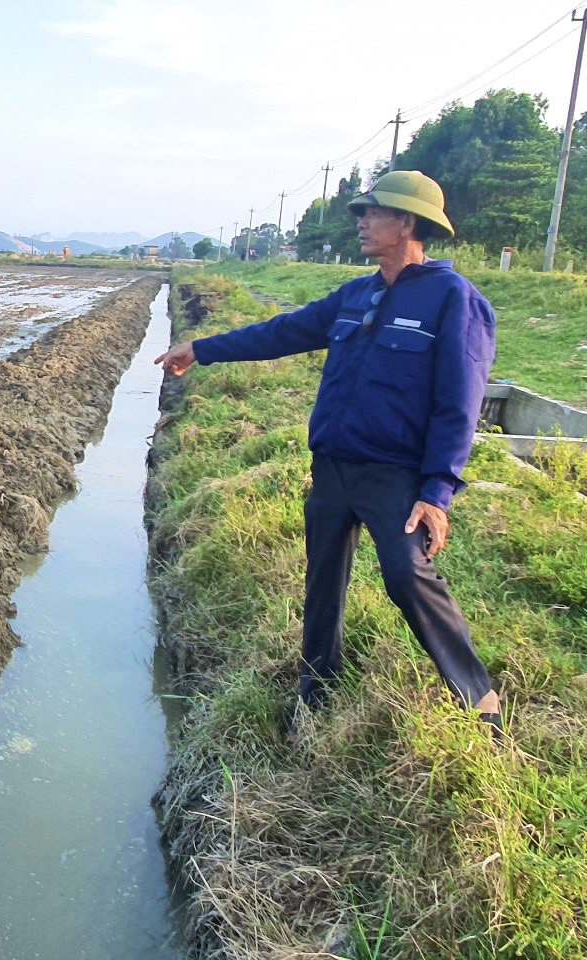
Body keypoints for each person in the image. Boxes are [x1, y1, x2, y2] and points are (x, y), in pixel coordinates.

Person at [155, 171, 503, 732]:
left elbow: (458, 406)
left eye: (373, 213)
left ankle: (479, 697)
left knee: (405, 573)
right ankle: (315, 692)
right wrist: (202, 347)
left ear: (407, 223)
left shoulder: (453, 301)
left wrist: (438, 492)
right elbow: (284, 331)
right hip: (334, 468)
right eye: (361, 213)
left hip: (396, 474)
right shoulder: (358, 294)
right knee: (322, 581)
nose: (361, 222)